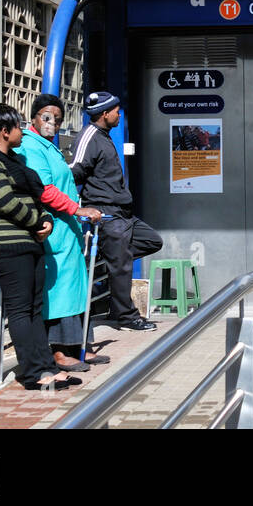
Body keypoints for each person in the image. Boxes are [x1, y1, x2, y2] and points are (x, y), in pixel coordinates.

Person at [0, 103, 78, 391]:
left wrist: (44, 219)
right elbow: (5, 201)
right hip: (8, 244)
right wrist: (37, 221)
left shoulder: (16, 160)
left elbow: (37, 194)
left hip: (29, 240)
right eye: (17, 126)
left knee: (34, 307)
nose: (21, 131)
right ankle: (32, 373)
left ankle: (46, 366)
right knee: (20, 310)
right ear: (4, 132)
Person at [16, 94, 108, 371]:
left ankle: (78, 346)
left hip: (67, 228)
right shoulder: (31, 147)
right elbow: (44, 189)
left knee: (75, 287)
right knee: (59, 292)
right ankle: (59, 351)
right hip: (54, 228)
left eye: (57, 118)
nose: (52, 122)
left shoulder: (48, 147)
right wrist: (77, 210)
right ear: (33, 117)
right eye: (46, 116)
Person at [71, 91, 163, 331]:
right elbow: (74, 170)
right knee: (121, 267)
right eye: (115, 110)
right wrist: (78, 207)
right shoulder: (90, 135)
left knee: (152, 241)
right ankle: (126, 317)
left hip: (125, 216)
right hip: (107, 215)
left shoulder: (105, 136)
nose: (118, 114)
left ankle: (111, 259)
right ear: (104, 113)